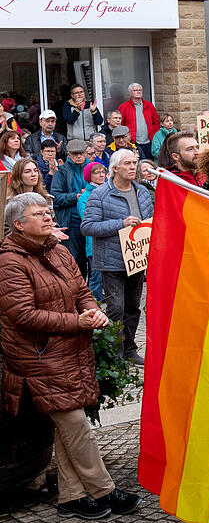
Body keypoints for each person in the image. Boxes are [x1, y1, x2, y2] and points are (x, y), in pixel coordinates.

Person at [0, 192, 143, 520]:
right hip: (36, 356)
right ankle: (103, 489)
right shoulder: (9, 261)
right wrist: (76, 322)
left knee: (68, 427)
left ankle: (71, 498)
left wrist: (93, 311)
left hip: (69, 350)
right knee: (75, 423)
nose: (48, 217)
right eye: (39, 214)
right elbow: (23, 315)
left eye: (48, 212)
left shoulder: (59, 250)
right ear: (18, 225)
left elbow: (81, 291)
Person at [80, 149, 153, 366]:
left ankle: (129, 349)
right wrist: (120, 224)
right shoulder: (100, 194)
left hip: (136, 260)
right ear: (115, 168)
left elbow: (150, 221)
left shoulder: (142, 191)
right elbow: (87, 227)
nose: (133, 167)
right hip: (112, 261)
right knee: (115, 309)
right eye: (127, 163)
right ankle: (114, 354)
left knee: (133, 307)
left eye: (134, 163)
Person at [51, 139, 91, 274]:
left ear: (86, 153)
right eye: (75, 154)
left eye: (81, 153)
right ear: (68, 154)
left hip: (91, 219)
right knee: (73, 259)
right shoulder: (61, 172)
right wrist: (76, 197)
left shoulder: (93, 169)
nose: (79, 156)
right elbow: (55, 196)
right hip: (71, 220)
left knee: (91, 259)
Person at [77, 162, 107, 300]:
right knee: (96, 277)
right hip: (94, 243)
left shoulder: (110, 191)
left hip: (111, 241)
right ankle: (95, 305)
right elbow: (88, 221)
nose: (101, 175)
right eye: (97, 172)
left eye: (103, 172)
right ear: (89, 176)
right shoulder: (85, 197)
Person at [118, 83, 160, 160]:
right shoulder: (124, 107)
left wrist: (154, 136)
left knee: (149, 163)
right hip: (133, 142)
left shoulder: (149, 105)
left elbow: (156, 122)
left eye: (140, 90)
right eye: (135, 90)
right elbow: (120, 124)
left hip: (149, 142)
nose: (138, 92)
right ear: (130, 93)